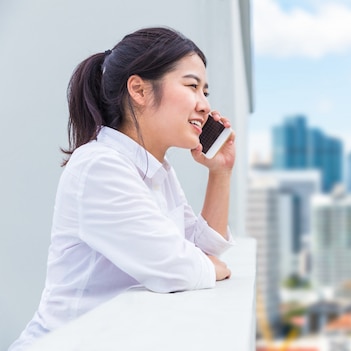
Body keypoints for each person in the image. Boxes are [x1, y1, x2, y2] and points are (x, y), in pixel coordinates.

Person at [9, 27, 236, 350]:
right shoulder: (100, 167)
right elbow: (177, 268)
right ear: (139, 90)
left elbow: (202, 252)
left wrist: (221, 172)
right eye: (192, 86)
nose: (204, 105)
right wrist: (202, 265)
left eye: (206, 92)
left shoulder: (158, 172)